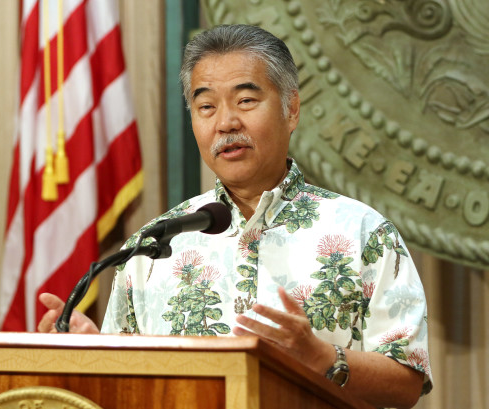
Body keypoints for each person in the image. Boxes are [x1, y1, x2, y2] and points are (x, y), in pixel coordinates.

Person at [38, 24, 432, 408]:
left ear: (291, 109)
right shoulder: (153, 245)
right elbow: (127, 389)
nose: (225, 123)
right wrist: (93, 352)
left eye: (245, 101)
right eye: (206, 106)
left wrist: (323, 358)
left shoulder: (363, 232)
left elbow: (406, 383)